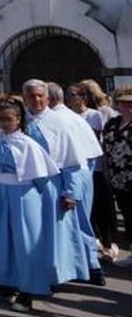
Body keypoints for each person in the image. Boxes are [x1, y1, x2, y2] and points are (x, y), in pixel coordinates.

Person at [0, 97, 60, 313]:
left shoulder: (28, 144)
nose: (4, 123)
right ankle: (6, 284)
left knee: (25, 242)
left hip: (22, 195)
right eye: (1, 119)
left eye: (8, 119)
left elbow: (41, 177)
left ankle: (27, 292)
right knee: (0, 240)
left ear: (18, 120)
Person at [23, 78, 103, 287]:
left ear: (48, 98)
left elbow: (73, 160)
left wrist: (70, 191)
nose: (36, 100)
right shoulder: (23, 121)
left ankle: (82, 269)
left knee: (69, 228)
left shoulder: (62, 121)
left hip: (60, 182)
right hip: (31, 187)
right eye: (31, 96)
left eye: (40, 95)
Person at [71, 80, 119, 262]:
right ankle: (92, 240)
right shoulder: (69, 115)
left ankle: (110, 243)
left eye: (74, 95)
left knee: (103, 206)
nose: (71, 99)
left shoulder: (96, 115)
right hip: (79, 167)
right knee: (86, 208)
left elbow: (101, 140)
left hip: (96, 166)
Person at [100, 88, 132, 268]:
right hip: (118, 179)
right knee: (128, 216)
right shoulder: (112, 123)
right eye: (125, 103)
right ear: (118, 105)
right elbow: (105, 149)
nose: (129, 107)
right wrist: (105, 170)